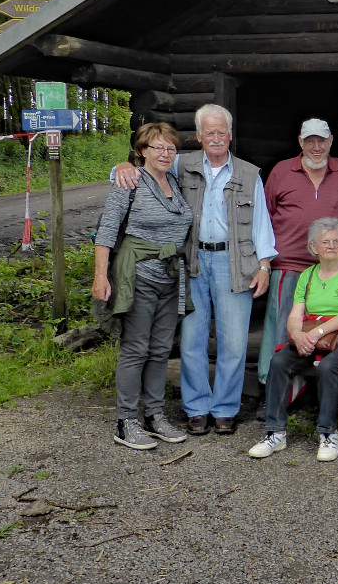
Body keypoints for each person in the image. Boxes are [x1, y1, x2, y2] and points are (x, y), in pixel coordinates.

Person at [113, 105, 277, 435]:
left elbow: (262, 225)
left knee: (233, 343)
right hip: (192, 263)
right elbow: (143, 166)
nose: (215, 138)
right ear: (198, 136)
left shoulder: (249, 174)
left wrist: (264, 265)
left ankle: (225, 409)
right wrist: (121, 165)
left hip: (236, 263)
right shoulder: (181, 163)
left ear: (230, 136)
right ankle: (197, 407)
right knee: (192, 339)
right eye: (209, 132)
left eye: (221, 132)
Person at [93, 123, 195, 450]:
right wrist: (100, 275)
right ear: (142, 151)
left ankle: (154, 415)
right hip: (138, 278)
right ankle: (126, 421)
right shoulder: (130, 182)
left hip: (170, 278)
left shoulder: (175, 182)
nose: (165, 153)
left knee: (161, 349)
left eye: (170, 148)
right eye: (157, 148)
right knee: (136, 348)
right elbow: (107, 231)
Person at [258, 118, 338, 410]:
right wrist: (264, 263)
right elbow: (263, 220)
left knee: (329, 330)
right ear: (300, 142)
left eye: (322, 141)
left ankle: (311, 394)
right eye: (310, 141)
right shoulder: (281, 171)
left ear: (331, 141)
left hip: (331, 266)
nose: (316, 147)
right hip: (290, 264)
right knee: (283, 331)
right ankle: (273, 392)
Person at [248, 218, 338, 462]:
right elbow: (295, 315)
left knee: (328, 366)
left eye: (336, 241)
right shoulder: (308, 275)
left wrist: (316, 333)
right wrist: (298, 335)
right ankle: (275, 432)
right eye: (325, 242)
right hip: (312, 334)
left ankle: (327, 433)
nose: (332, 246)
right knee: (279, 361)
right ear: (314, 248)